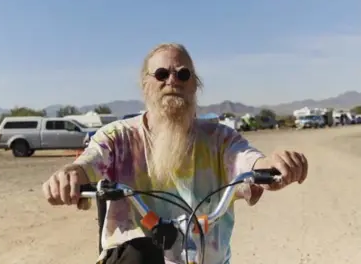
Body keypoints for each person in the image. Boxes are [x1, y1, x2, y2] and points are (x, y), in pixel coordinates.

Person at [42, 43, 309, 264]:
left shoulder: (219, 138)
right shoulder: (118, 137)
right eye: (161, 74)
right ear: (145, 85)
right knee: (138, 254)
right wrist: (70, 175)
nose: (172, 81)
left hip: (204, 258)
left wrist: (272, 165)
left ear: (195, 86)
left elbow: (245, 159)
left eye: (183, 75)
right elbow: (90, 162)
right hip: (136, 260)